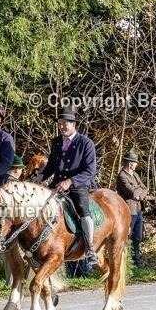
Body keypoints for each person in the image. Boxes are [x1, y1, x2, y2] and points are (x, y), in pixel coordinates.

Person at [37, 106, 99, 265]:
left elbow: (90, 170)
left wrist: (70, 181)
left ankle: (90, 247)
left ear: (74, 124)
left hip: (78, 186)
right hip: (57, 185)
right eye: (60, 123)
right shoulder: (56, 142)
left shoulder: (86, 143)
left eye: (66, 123)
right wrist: (38, 178)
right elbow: (51, 166)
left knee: (83, 211)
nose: (62, 126)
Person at [116, 152, 151, 267]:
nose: (136, 165)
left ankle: (137, 260)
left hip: (138, 209)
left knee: (138, 236)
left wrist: (139, 194)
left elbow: (144, 188)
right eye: (135, 163)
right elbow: (132, 192)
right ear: (130, 164)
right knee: (126, 236)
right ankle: (125, 262)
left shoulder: (135, 175)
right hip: (128, 210)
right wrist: (138, 191)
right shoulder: (122, 176)